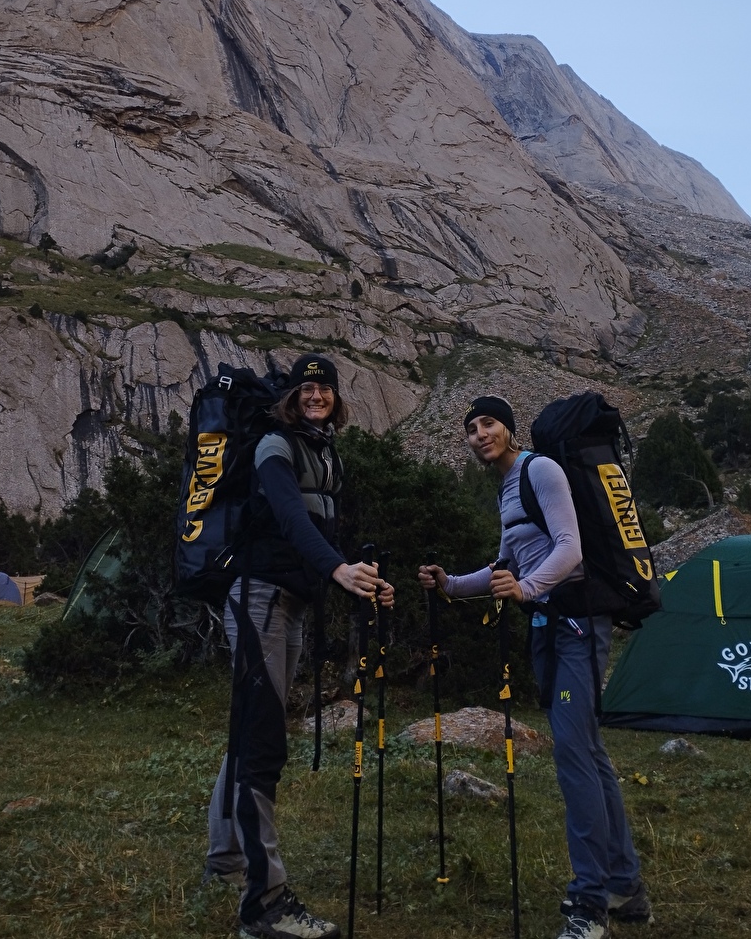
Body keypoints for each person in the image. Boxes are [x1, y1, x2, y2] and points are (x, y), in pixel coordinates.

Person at [418, 395, 651, 939]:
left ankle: (589, 902)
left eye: (489, 423)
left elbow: (569, 550)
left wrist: (527, 589)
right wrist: (451, 585)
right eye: (471, 428)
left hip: (573, 625)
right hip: (552, 627)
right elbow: (504, 565)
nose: (480, 434)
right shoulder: (508, 488)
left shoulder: (539, 469)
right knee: (589, 754)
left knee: (574, 757)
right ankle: (625, 887)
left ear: (509, 427)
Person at [205, 352, 393, 939]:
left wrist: (361, 572)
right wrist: (337, 570)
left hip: (289, 600)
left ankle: (224, 857)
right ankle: (264, 904)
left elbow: (329, 525)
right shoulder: (274, 445)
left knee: (252, 726)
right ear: (291, 396)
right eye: (308, 388)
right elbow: (289, 516)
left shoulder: (325, 452)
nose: (317, 395)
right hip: (258, 596)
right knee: (262, 740)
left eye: (326, 389)